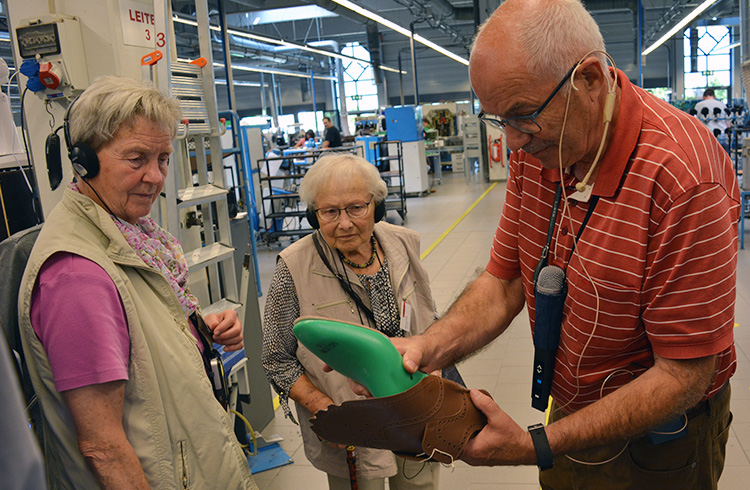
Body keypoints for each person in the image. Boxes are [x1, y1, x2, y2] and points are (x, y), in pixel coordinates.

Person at [358, 1, 737, 489]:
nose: (512, 143)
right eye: (497, 120)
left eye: (522, 116)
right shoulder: (543, 148)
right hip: (572, 406)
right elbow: (506, 279)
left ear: (592, 80)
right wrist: (426, 347)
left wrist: (535, 445)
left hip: (660, 436)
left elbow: (683, 375)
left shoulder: (684, 179)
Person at [17, 76, 257, 489]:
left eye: (163, 158)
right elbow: (102, 446)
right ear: (83, 161)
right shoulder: (78, 275)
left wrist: (199, 333)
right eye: (136, 158)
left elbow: (143, 351)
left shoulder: (134, 240)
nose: (156, 176)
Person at [262, 154, 439, 489]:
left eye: (356, 207)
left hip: (416, 414)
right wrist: (324, 410)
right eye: (330, 212)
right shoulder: (293, 267)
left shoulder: (404, 243)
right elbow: (276, 358)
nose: (344, 223)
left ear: (377, 206)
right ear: (314, 216)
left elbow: (430, 318)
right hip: (353, 433)